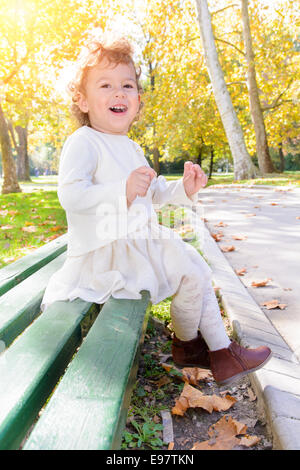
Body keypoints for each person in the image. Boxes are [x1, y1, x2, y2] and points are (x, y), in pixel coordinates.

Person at [41, 37, 272, 385]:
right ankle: (198, 348)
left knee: (196, 267)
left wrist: (184, 189)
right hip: (107, 253)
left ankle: (206, 349)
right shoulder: (84, 142)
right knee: (190, 269)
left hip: (139, 243)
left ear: (137, 101)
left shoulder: (132, 147)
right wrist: (121, 190)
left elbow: (154, 192)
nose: (119, 93)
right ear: (83, 100)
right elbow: (70, 195)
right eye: (106, 85)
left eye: (127, 86)